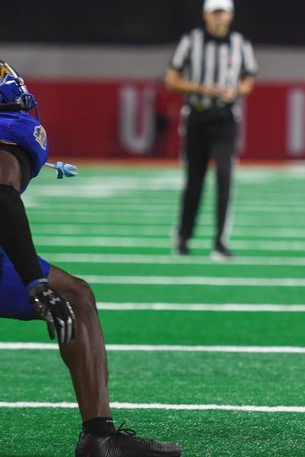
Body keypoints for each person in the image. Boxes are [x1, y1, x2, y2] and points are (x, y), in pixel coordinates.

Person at [0, 61, 182, 456]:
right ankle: (99, 437)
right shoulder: (11, 136)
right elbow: (2, 196)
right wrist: (34, 281)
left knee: (77, 295)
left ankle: (100, 436)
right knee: (76, 299)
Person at [165, 0, 258, 260]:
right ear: (206, 15)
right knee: (194, 180)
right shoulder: (191, 41)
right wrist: (203, 88)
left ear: (230, 15)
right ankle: (183, 236)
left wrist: (235, 91)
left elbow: (248, 81)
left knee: (225, 178)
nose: (219, 18)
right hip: (197, 114)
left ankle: (220, 240)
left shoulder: (240, 43)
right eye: (215, 13)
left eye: (224, 13)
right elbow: (171, 79)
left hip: (225, 118)